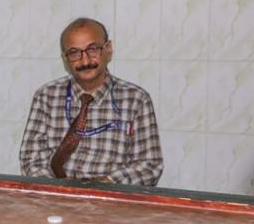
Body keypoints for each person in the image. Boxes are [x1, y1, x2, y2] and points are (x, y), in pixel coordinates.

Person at [20, 17, 163, 185]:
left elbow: (149, 166)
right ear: (65, 59)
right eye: (74, 52)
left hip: (110, 195)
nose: (85, 61)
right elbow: (31, 158)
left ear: (108, 50)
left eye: (93, 49)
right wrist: (57, 190)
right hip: (55, 194)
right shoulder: (46, 96)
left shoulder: (136, 100)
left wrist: (104, 184)